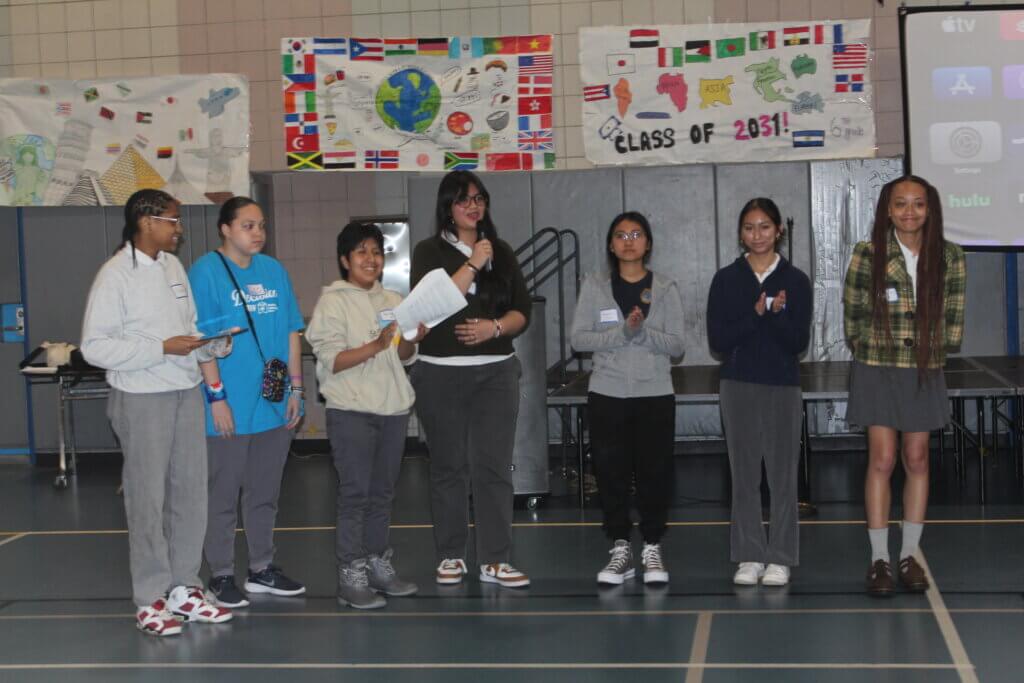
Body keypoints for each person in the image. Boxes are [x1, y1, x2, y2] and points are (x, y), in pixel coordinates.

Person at [81, 189, 233, 636]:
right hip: (141, 397)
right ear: (146, 221)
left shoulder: (173, 267)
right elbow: (95, 347)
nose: (178, 227)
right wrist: (159, 348)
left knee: (190, 496)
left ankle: (185, 587)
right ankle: (150, 598)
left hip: (185, 390)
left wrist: (209, 343)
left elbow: (186, 329)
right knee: (147, 500)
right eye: (172, 220)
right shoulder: (115, 276)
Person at [843, 175, 966, 597]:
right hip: (878, 366)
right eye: (900, 204)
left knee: (917, 459)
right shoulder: (868, 253)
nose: (909, 212)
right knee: (882, 459)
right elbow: (854, 312)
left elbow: (953, 318)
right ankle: (878, 558)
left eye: (917, 204)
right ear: (887, 210)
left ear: (930, 210)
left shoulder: (949, 256)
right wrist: (869, 347)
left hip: (923, 368)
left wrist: (933, 351)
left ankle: (910, 554)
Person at [409, 170, 533, 589]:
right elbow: (433, 304)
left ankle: (495, 559)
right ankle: (450, 554)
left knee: (493, 466)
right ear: (448, 207)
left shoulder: (502, 251)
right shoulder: (428, 252)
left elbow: (522, 312)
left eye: (479, 198)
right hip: (440, 374)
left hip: (496, 372)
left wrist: (494, 328)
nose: (474, 206)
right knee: (448, 467)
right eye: (464, 200)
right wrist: (474, 261)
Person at [188, 197, 306, 608]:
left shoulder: (274, 271)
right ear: (225, 228)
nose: (257, 233)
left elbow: (292, 330)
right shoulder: (205, 272)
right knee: (222, 495)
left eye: (261, 226)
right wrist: (215, 398)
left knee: (264, 492)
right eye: (247, 225)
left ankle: (261, 569)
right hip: (229, 405)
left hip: (272, 403)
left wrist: (296, 389)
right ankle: (220, 574)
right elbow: (202, 341)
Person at [306, 222, 428, 609]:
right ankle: (350, 572)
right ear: (345, 260)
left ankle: (377, 562)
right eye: (361, 252)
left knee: (382, 494)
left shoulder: (394, 298)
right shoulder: (332, 302)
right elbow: (334, 360)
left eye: (376, 251)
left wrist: (410, 339)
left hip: (392, 408)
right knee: (355, 494)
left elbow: (404, 357)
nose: (371, 259)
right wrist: (376, 344)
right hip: (352, 411)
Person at [569, 211, 685, 586]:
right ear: (610, 244)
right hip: (607, 394)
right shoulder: (594, 285)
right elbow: (579, 340)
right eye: (621, 235)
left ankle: (652, 546)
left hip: (654, 394)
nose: (629, 240)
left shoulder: (666, 288)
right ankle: (620, 547)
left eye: (636, 234)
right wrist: (623, 332)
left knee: (654, 474)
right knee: (611, 475)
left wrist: (642, 332)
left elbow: (678, 345)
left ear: (648, 243)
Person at [707, 198, 812, 588]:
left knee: (783, 475)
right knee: (745, 475)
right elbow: (718, 341)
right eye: (750, 228)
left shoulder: (796, 280)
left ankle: (781, 556)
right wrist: (756, 314)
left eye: (765, 227)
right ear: (740, 234)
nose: (758, 235)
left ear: (778, 231)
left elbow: (797, 342)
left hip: (782, 384)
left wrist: (780, 316)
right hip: (738, 384)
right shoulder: (726, 279)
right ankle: (749, 554)